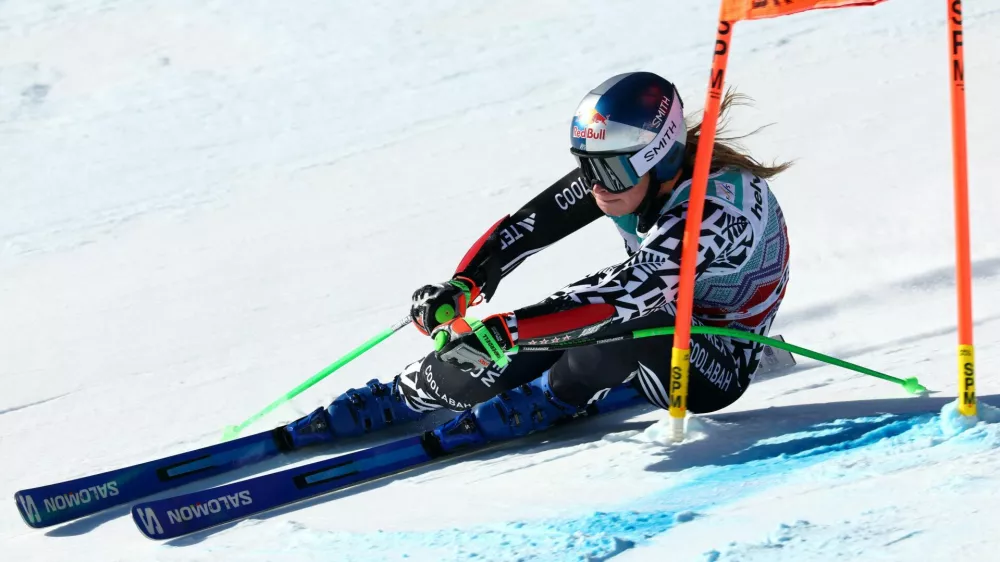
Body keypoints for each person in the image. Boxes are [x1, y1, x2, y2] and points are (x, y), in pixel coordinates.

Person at [283, 71, 791, 450]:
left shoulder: (715, 213)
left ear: (659, 160)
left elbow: (629, 295)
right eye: (585, 166)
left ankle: (556, 396)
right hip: (656, 299)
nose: (595, 186)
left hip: (715, 359)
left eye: (608, 171)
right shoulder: (624, 180)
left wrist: (510, 330)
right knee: (533, 328)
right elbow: (531, 225)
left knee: (617, 325)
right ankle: (408, 392)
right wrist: (464, 285)